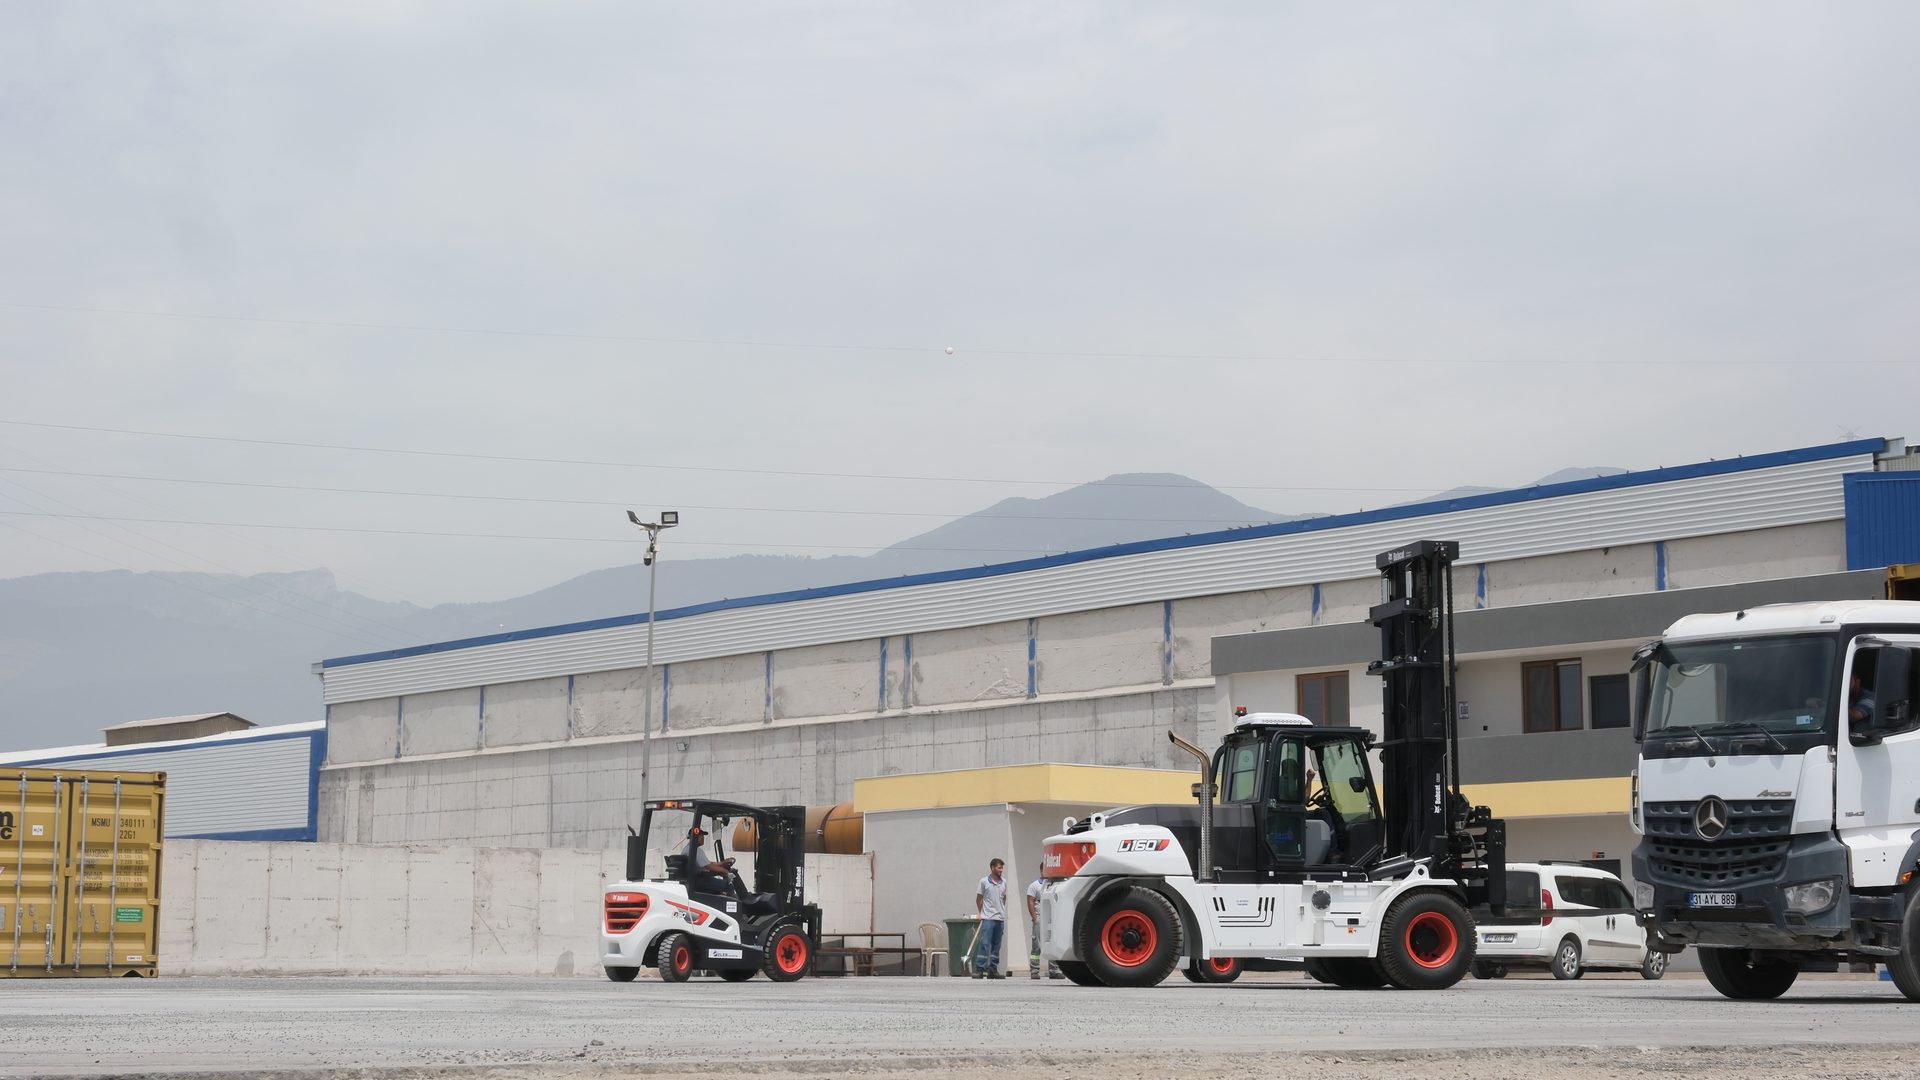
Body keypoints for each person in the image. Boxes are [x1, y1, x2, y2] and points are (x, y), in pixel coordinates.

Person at [972, 858, 1008, 979]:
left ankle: (993, 969)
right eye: (999, 867)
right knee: (985, 943)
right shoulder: (984, 882)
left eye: (1002, 868)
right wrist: (983, 913)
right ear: (992, 868)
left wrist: (1001, 911)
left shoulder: (1004, 882)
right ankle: (980, 969)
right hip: (988, 918)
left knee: (996, 945)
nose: (1001, 870)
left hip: (1000, 918)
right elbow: (978, 899)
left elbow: (1004, 898)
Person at [1025, 874, 1061, 979]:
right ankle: (1034, 970)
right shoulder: (1034, 885)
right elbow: (1030, 900)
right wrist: (1034, 917)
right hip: (1039, 918)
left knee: (1052, 944)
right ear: (1042, 871)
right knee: (1037, 945)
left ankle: (1054, 970)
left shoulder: (1054, 885)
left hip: (1051, 919)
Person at [684, 824, 734, 897]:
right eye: (700, 836)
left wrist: (722, 863)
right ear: (693, 837)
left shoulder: (688, 849)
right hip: (699, 881)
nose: (703, 838)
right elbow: (709, 866)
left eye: (702, 836)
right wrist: (725, 871)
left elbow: (707, 863)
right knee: (728, 886)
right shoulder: (695, 850)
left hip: (696, 880)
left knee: (719, 884)